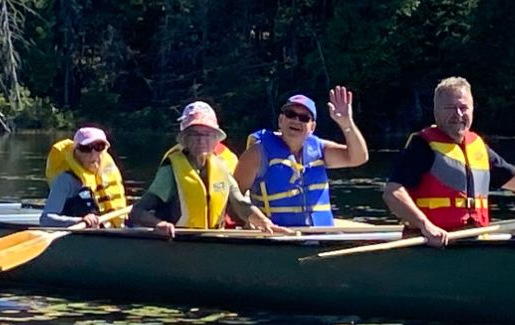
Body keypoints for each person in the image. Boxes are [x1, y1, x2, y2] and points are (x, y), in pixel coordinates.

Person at [382, 76, 515, 246]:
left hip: (473, 240)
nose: (458, 114)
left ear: (472, 110)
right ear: (436, 111)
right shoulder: (422, 146)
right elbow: (393, 192)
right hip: (434, 242)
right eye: (450, 108)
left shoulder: (478, 147)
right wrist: (426, 225)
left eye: (463, 107)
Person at [127, 101, 281, 238]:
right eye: (194, 134)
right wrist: (158, 224)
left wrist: (262, 220)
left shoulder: (221, 167)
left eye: (207, 134)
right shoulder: (171, 170)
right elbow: (137, 212)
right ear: (185, 139)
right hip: (179, 244)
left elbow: (240, 204)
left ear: (215, 139)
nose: (201, 140)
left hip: (213, 242)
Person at [233, 86, 369, 227]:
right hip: (276, 238)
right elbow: (233, 198)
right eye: (290, 114)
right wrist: (254, 220)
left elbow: (358, 158)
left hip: (321, 236)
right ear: (281, 120)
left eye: (304, 118)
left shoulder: (321, 150)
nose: (296, 120)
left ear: (312, 127)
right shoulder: (257, 153)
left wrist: (347, 123)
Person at [43, 126, 126, 227]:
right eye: (85, 149)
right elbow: (46, 219)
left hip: (111, 232)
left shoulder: (106, 176)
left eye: (99, 147)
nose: (93, 154)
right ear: (75, 152)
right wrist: (80, 221)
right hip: (80, 236)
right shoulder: (66, 180)